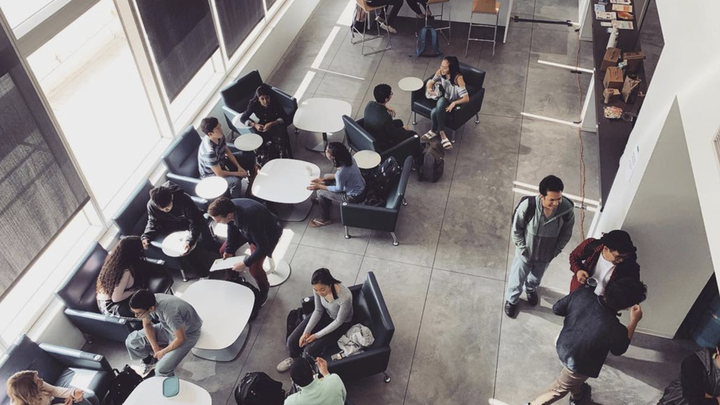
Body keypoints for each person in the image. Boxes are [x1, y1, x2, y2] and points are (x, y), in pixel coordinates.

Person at [526, 278, 647, 405]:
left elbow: (557, 308)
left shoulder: (583, 294)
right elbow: (619, 349)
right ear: (627, 306)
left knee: (573, 381)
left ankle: (578, 396)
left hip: (563, 344)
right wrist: (634, 321)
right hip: (579, 364)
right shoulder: (616, 328)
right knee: (559, 389)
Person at [505, 175, 575, 318]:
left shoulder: (566, 209)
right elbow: (516, 229)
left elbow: (566, 233)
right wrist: (522, 248)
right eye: (552, 200)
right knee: (517, 278)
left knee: (536, 277)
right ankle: (511, 300)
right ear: (541, 196)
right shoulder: (528, 206)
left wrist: (555, 251)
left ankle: (530, 289)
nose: (556, 203)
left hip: (545, 255)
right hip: (525, 253)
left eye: (558, 199)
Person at [208, 197, 283, 305]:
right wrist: (229, 249)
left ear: (228, 215)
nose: (218, 223)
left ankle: (264, 289)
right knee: (223, 250)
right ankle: (233, 277)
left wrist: (245, 263)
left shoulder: (251, 219)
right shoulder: (229, 207)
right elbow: (231, 227)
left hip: (267, 234)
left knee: (254, 269)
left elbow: (262, 246)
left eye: (218, 220)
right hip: (248, 231)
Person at [277, 268, 353, 373]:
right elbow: (318, 310)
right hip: (326, 314)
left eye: (322, 289)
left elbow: (339, 321)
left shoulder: (345, 297)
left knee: (308, 352)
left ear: (330, 284)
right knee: (291, 341)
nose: (319, 293)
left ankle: (303, 367)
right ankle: (294, 359)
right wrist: (306, 332)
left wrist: (316, 335)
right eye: (316, 290)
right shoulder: (317, 288)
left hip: (340, 324)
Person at [141, 181, 220, 278]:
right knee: (184, 250)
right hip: (174, 226)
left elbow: (195, 222)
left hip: (193, 220)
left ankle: (226, 252)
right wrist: (146, 236)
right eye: (162, 209)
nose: (165, 210)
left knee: (208, 243)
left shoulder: (184, 198)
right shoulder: (151, 205)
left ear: (171, 197)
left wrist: (190, 240)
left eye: (167, 206)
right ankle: (204, 274)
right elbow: (152, 221)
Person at [125, 290, 202, 377]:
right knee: (132, 340)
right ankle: (150, 362)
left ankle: (173, 388)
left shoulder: (169, 312)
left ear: (151, 308)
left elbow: (181, 338)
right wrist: (156, 348)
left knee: (161, 370)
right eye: (134, 313)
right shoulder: (149, 300)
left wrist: (163, 352)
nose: (136, 316)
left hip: (188, 333)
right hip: (168, 328)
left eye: (138, 313)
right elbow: (147, 324)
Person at [307, 143, 365, 228]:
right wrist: (324, 180)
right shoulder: (351, 159)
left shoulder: (341, 173)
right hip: (361, 186)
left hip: (353, 197)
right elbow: (345, 175)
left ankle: (326, 218)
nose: (325, 151)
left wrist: (320, 186)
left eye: (327, 151)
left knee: (320, 192)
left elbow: (339, 188)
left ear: (333, 157)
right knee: (326, 177)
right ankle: (325, 201)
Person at [198, 116, 257, 199]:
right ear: (210, 134)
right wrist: (239, 173)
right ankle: (235, 201)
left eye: (220, 126)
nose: (221, 130)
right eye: (217, 129)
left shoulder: (220, 136)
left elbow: (227, 150)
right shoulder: (209, 152)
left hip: (222, 163)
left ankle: (251, 181)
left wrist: (239, 167)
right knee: (235, 182)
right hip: (212, 176)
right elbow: (219, 173)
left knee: (249, 154)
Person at [568, 229, 640, 295]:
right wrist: (578, 271)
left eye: (625, 257)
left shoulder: (630, 264)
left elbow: (633, 288)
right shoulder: (591, 245)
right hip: (578, 292)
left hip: (602, 304)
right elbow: (574, 256)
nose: (621, 260)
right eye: (618, 257)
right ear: (606, 249)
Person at [421, 56, 470, 150]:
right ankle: (441, 132)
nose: (442, 69)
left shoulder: (458, 78)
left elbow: (466, 98)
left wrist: (454, 103)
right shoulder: (440, 72)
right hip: (445, 99)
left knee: (435, 111)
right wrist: (430, 89)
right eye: (441, 66)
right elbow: (431, 81)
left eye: (445, 67)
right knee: (439, 105)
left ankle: (435, 131)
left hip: (456, 103)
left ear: (451, 68)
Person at [363, 83, 421, 156]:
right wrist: (403, 129)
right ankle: (417, 153)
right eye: (391, 94)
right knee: (413, 134)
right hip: (384, 143)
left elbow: (378, 108)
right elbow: (393, 133)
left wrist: (386, 107)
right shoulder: (386, 118)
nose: (391, 94)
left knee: (399, 122)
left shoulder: (369, 105)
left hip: (372, 132)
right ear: (386, 99)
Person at [96, 236, 146, 319]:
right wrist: (135, 290)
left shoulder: (114, 259)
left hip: (116, 295)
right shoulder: (125, 271)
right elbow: (116, 298)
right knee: (146, 313)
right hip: (111, 305)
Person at [657, 339, 720, 405]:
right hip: (677, 402)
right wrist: (717, 401)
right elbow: (693, 398)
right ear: (717, 350)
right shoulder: (695, 363)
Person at [240, 84, 293, 160]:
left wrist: (272, 123)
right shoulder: (253, 104)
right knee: (261, 144)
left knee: (282, 136)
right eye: (262, 99)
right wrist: (255, 125)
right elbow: (243, 118)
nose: (265, 101)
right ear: (258, 99)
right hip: (262, 125)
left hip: (276, 123)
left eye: (267, 98)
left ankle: (285, 155)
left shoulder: (275, 102)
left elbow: (285, 117)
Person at [6, 370, 92, 405]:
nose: (41, 380)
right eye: (37, 381)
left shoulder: (39, 383)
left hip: (51, 401)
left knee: (86, 399)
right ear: (31, 391)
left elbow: (54, 390)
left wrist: (73, 393)